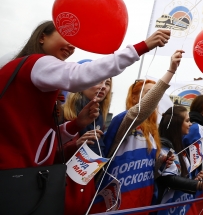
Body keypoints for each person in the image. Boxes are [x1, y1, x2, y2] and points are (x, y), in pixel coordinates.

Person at [0, 21, 170, 171]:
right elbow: (80, 75)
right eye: (66, 37)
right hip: (13, 172)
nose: (72, 46)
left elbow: (42, 136)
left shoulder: (21, 69)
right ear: (42, 37)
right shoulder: (36, 63)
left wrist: (76, 125)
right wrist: (141, 47)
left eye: (75, 43)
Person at [93, 50, 183, 212]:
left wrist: (160, 163)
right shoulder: (123, 121)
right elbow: (141, 111)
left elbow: (152, 173)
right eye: (150, 94)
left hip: (141, 205)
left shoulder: (151, 134)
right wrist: (171, 71)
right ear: (134, 98)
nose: (155, 101)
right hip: (113, 206)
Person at [61, 77, 113, 215]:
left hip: (84, 193)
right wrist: (73, 146)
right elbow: (43, 155)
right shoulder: (62, 113)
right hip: (60, 193)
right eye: (98, 81)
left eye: (107, 84)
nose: (103, 87)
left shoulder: (99, 120)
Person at [156, 106, 203, 212]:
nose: (190, 124)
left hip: (182, 208)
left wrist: (194, 180)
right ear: (176, 123)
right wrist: (199, 185)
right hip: (166, 209)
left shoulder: (180, 147)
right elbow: (168, 179)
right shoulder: (163, 147)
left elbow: (180, 178)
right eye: (187, 121)